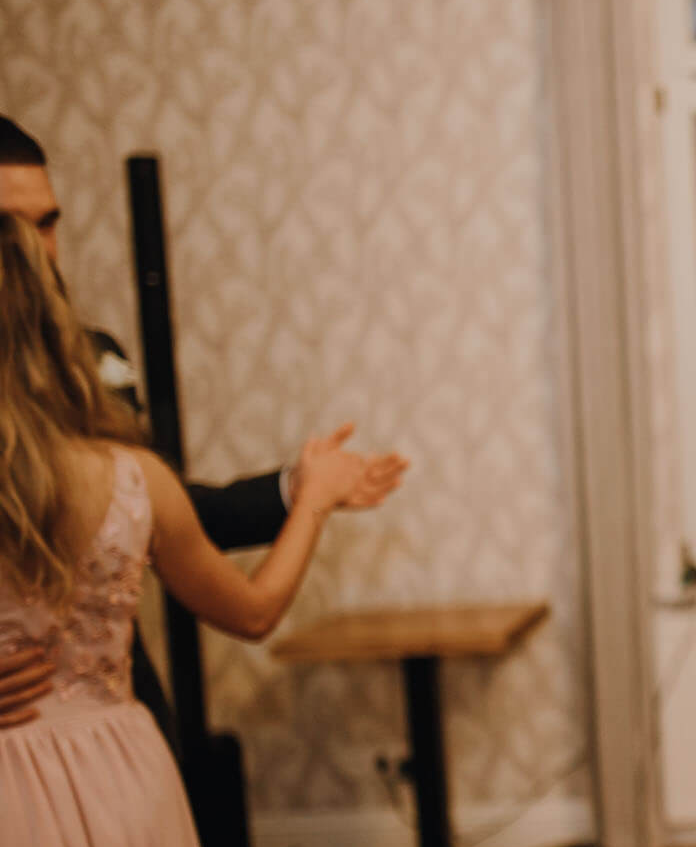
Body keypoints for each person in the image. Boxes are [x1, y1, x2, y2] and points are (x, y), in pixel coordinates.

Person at [0, 210, 368, 847]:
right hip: (124, 778)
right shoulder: (131, 480)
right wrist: (312, 501)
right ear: (53, 329)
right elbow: (253, 611)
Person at [0, 114, 406, 747]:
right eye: (10, 228)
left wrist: (297, 489)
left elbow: (153, 510)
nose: (36, 252)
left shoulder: (90, 359)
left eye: (47, 223)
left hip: (111, 725)